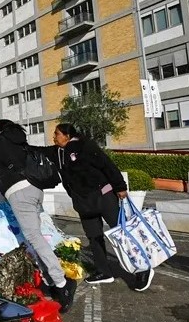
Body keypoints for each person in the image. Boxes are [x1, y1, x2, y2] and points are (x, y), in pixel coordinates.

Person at [0, 119, 77, 313]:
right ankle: (51, 279)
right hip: (33, 189)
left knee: (34, 237)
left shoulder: (0, 141)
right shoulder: (18, 141)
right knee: (36, 237)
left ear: (0, 131)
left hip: (20, 193)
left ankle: (62, 283)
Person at [51, 123, 153, 292]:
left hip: (104, 196)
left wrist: (120, 187)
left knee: (121, 233)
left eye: (57, 134)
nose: (54, 137)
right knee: (93, 236)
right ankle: (104, 271)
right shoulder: (59, 153)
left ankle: (143, 268)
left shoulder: (86, 146)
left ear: (67, 135)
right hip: (84, 203)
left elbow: (107, 165)